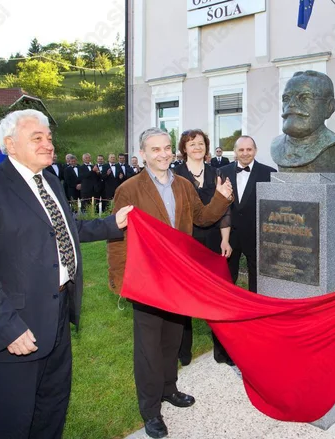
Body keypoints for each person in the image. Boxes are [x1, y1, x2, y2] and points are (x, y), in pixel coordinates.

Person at [0, 109, 133, 439]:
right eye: (36, 138)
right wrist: (8, 329)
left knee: (51, 408)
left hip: (57, 317)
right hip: (15, 327)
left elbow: (65, 229)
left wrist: (112, 224)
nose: (47, 143)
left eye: (49, 137)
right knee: (9, 421)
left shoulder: (49, 181)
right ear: (9, 144)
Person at [107, 127, 233, 439]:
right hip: (146, 280)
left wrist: (221, 198)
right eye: (155, 150)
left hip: (178, 279)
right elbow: (117, 237)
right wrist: (122, 281)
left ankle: (169, 389)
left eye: (166, 148)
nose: (163, 154)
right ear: (143, 154)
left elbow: (202, 218)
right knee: (148, 350)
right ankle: (150, 411)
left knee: (171, 341)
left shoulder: (184, 185)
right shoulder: (129, 189)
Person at [172, 129, 234, 367]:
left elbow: (225, 209)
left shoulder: (216, 172)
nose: (196, 147)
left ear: (206, 147)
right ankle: (182, 350)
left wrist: (225, 239)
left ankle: (221, 351)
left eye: (200, 143)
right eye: (191, 144)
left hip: (212, 240)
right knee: (183, 295)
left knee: (217, 296)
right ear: (184, 148)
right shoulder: (175, 174)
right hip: (184, 240)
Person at [220, 135, 276, 293]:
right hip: (230, 234)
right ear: (235, 151)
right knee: (228, 276)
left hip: (257, 234)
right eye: (241, 149)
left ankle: (256, 310)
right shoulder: (222, 171)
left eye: (249, 149)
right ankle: (228, 308)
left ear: (255, 151)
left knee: (257, 276)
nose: (245, 153)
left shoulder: (270, 173)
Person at [271, 70, 335, 173]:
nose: (291, 104)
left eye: (304, 98)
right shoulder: (276, 146)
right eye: (286, 98)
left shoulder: (331, 144)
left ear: (329, 107)